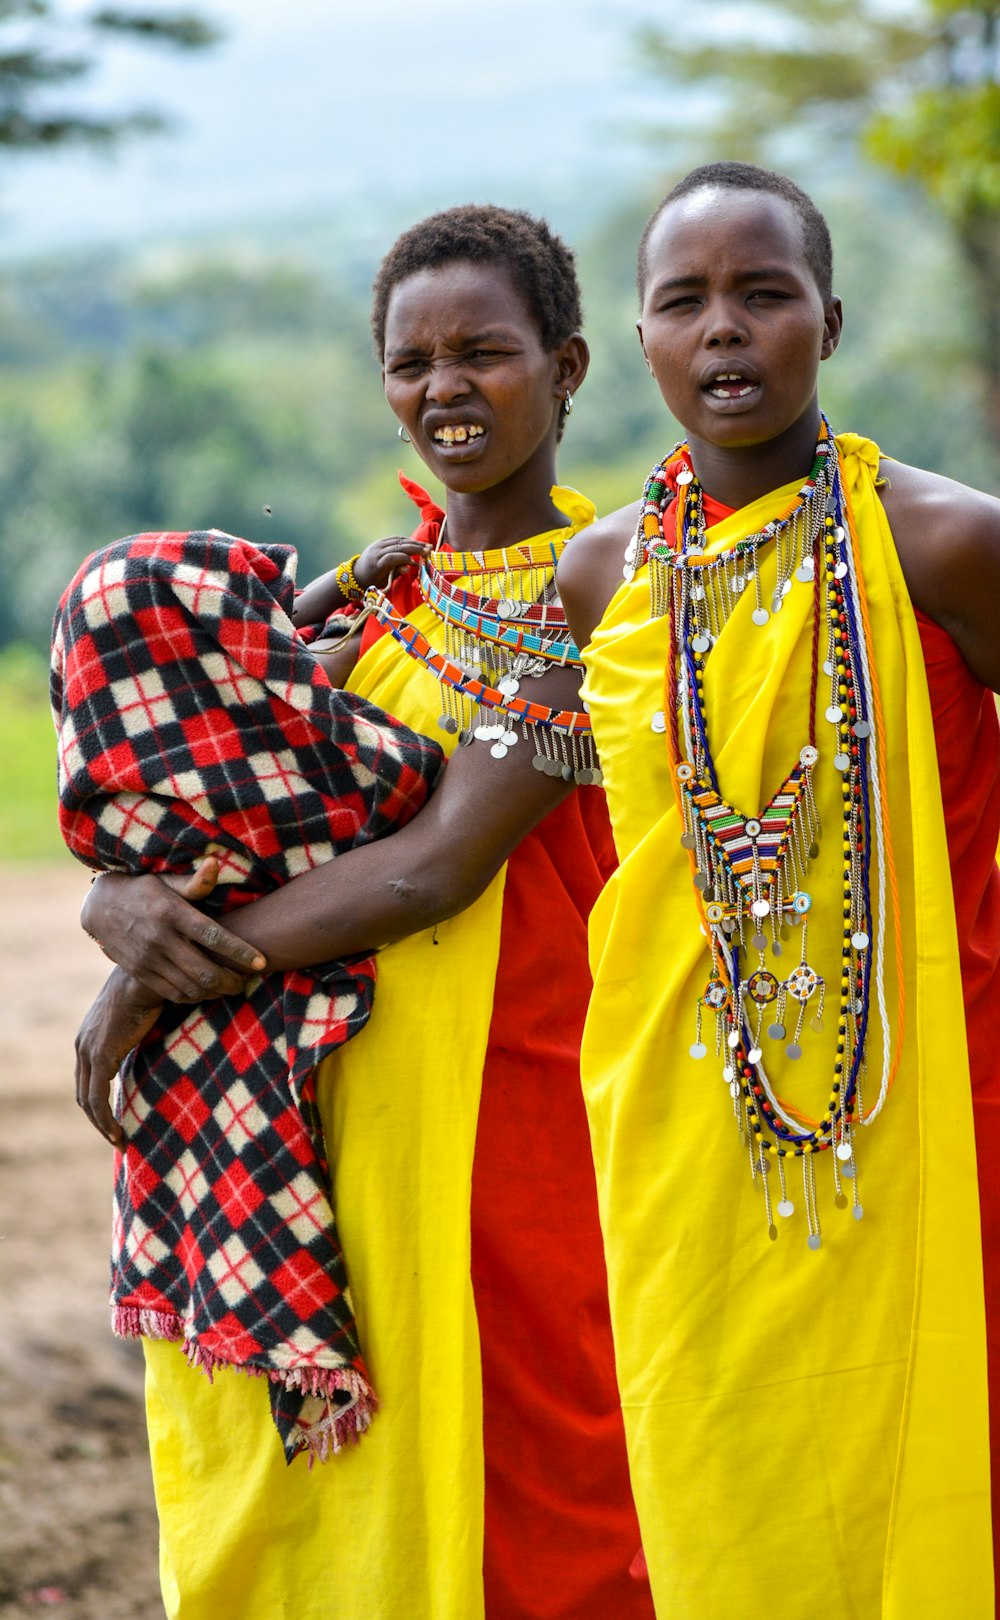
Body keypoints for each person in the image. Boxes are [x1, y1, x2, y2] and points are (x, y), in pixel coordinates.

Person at [73, 206, 654, 1620]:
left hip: (521, 1121)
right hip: (321, 1116)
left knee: (546, 1487)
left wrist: (154, 986)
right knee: (339, 1497)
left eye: (487, 354)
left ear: (568, 368)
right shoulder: (370, 600)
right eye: (414, 361)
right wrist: (116, 898)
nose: (445, 388)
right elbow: (197, 794)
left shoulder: (605, 597)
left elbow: (432, 872)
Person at [556, 161, 1000, 1618]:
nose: (726, 332)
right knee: (719, 1457)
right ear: (640, 342)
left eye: (765, 295)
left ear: (832, 321)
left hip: (926, 1094)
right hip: (681, 1119)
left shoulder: (944, 542)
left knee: (930, 1454)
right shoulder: (604, 576)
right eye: (685, 302)